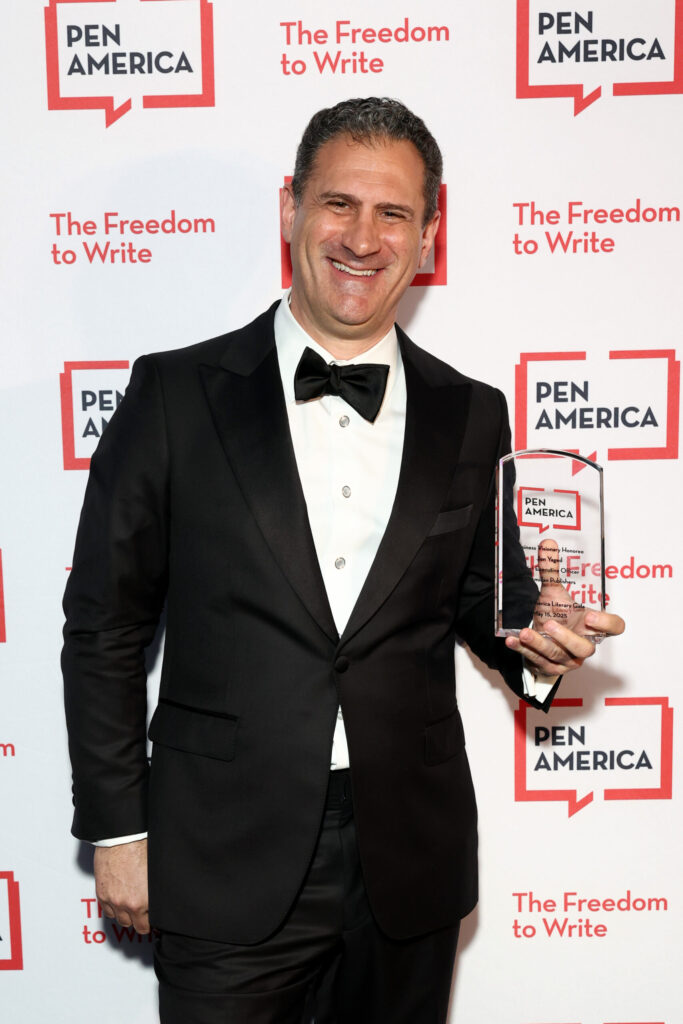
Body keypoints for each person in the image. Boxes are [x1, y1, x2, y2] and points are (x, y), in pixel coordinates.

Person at [62, 97, 625, 1024]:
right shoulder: (173, 394)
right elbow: (104, 628)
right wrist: (119, 830)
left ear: (428, 235)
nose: (363, 238)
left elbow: (484, 601)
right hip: (221, 850)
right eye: (339, 204)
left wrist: (539, 643)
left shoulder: (471, 413)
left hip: (408, 859)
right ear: (291, 207)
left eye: (393, 213)